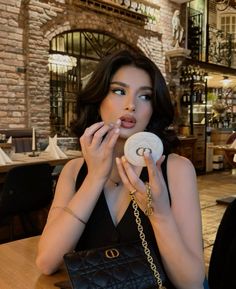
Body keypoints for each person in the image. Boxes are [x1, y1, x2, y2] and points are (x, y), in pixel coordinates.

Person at [36, 50, 205, 289]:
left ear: (154, 109)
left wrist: (160, 215)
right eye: (118, 91)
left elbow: (193, 283)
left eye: (145, 97)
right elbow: (46, 262)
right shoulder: (74, 171)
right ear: (98, 100)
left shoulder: (177, 169)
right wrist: (95, 178)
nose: (131, 105)